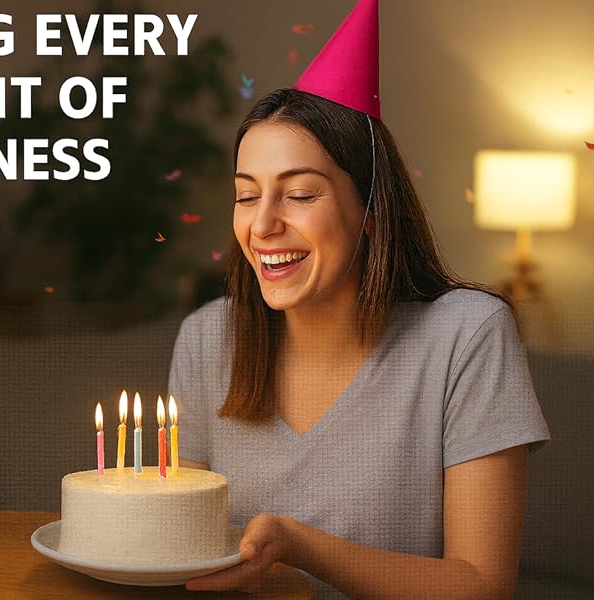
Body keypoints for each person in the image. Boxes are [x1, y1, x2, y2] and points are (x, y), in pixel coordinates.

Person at [170, 1, 549, 598]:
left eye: (298, 194)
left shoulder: (468, 335)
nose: (263, 224)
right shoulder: (206, 339)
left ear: (370, 211)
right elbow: (179, 554)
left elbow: (481, 586)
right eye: (246, 196)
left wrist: (299, 547)